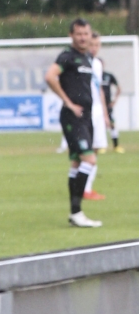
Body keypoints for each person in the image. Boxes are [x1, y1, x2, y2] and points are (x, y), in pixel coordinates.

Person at [45, 19, 102, 227]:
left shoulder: (86, 57)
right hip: (73, 117)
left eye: (86, 33)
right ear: (71, 35)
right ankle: (77, 212)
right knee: (90, 160)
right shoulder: (67, 57)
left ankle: (75, 213)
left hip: (86, 116)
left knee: (77, 163)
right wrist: (68, 102)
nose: (83, 37)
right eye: (79, 34)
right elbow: (50, 77)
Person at [84, 31, 110, 198]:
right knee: (86, 150)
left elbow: (99, 89)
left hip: (98, 112)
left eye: (97, 45)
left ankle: (87, 186)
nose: (94, 48)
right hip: (86, 111)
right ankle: (85, 188)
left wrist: (105, 114)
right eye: (92, 44)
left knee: (96, 148)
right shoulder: (80, 62)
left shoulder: (98, 64)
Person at [102, 63, 122, 151]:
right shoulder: (93, 75)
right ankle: (101, 146)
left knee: (112, 124)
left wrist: (115, 100)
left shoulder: (108, 76)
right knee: (100, 125)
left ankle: (116, 145)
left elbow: (119, 87)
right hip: (97, 105)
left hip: (107, 104)